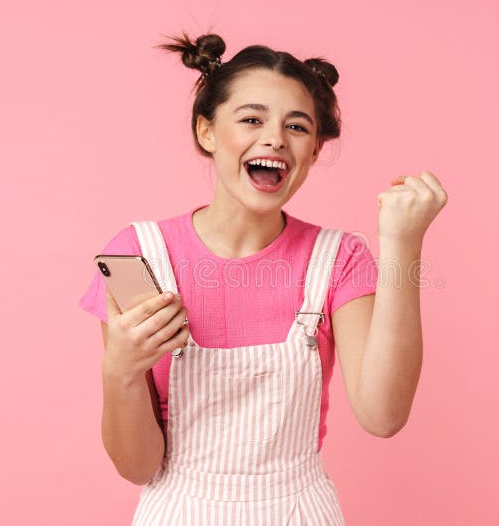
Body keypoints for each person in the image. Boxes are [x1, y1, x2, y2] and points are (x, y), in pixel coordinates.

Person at [78, 32, 448, 525]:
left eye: (297, 126)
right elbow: (138, 465)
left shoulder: (339, 259)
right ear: (207, 132)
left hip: (300, 512)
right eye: (251, 118)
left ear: (314, 151)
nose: (274, 137)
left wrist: (403, 243)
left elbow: (383, 416)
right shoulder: (140, 256)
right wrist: (119, 369)